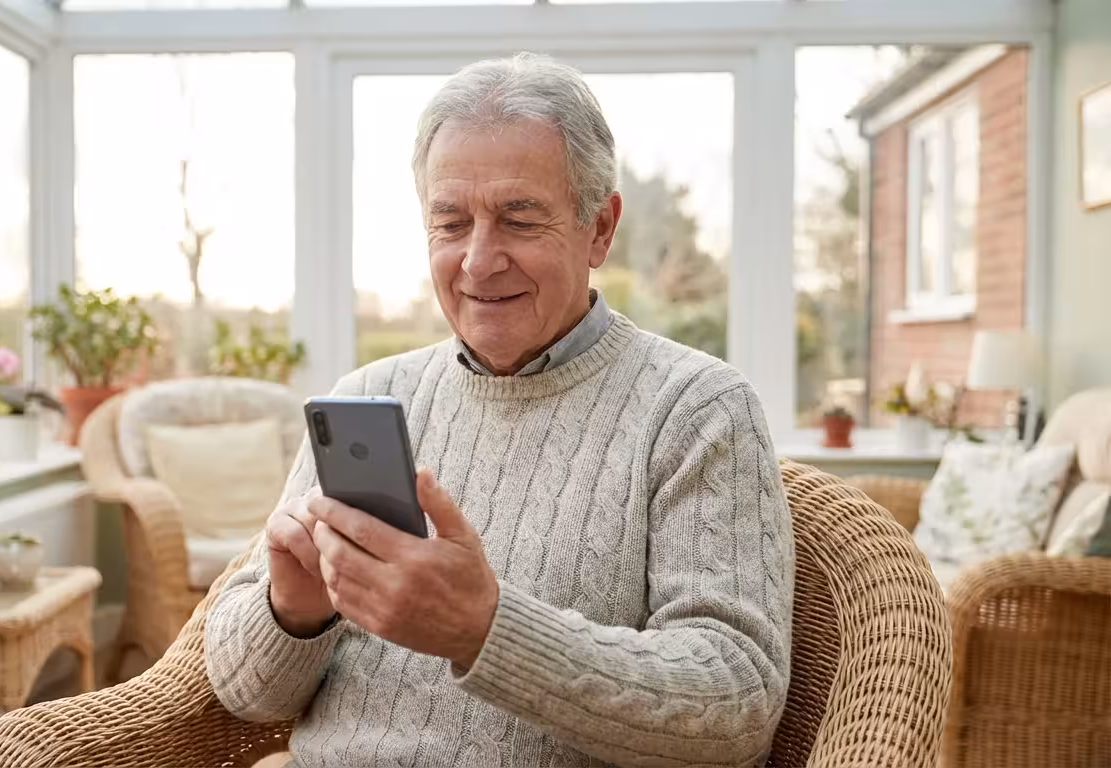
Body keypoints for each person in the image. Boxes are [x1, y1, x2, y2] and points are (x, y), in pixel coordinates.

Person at [205, 52, 795, 768]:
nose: (479, 261)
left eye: (518, 219)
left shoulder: (697, 409)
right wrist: (293, 611)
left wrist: (484, 629)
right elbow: (243, 694)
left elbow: (736, 705)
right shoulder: (369, 397)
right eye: (450, 223)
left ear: (599, 229)